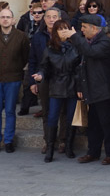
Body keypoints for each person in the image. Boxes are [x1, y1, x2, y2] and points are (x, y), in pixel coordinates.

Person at [60, 14, 110, 165]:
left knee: (108, 124)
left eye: (84, 27)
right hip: (91, 89)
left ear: (94, 28)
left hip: (104, 91)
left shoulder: (106, 42)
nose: (82, 30)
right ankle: (93, 152)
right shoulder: (88, 41)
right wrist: (81, 87)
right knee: (93, 124)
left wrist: (74, 36)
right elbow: (82, 65)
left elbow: (90, 52)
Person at [32, 20, 80, 162]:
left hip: (72, 85)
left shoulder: (76, 47)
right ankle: (50, 147)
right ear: (55, 32)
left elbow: (80, 67)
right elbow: (44, 67)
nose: (63, 31)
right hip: (56, 86)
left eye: (66, 28)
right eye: (60, 29)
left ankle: (69, 146)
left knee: (71, 117)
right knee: (52, 117)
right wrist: (40, 75)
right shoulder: (50, 49)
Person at [0, 7, 30, 154]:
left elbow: (25, 57)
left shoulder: (21, 36)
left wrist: (15, 69)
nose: (5, 19)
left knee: (10, 111)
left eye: (8, 17)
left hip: (13, 79)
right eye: (2, 17)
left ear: (13, 20)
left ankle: (9, 140)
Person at [28, 7, 62, 153]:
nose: (51, 19)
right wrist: (32, 82)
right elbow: (33, 60)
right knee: (46, 111)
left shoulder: (65, 35)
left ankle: (63, 141)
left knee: (63, 112)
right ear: (44, 19)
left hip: (62, 79)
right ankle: (49, 141)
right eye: (48, 16)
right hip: (43, 78)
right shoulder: (37, 37)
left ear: (59, 18)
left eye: (54, 16)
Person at [17, 2, 45, 116]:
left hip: (43, 58)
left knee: (43, 86)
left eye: (39, 12)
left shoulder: (44, 26)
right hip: (32, 56)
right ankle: (25, 107)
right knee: (28, 83)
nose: (37, 15)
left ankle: (42, 108)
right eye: (34, 13)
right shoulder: (29, 24)